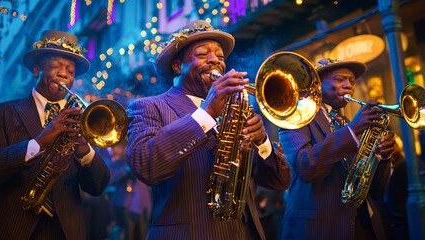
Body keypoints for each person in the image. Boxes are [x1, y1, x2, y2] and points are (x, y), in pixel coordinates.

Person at [126, 20, 291, 239]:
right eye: (203, 54)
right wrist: (206, 114)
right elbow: (145, 165)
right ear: (177, 66)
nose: (215, 61)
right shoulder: (149, 106)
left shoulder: (236, 107)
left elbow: (280, 181)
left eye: (221, 57)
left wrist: (263, 142)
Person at [0, 30, 110, 240]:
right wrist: (38, 143)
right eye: (56, 65)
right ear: (36, 69)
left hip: (67, 232)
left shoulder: (81, 118)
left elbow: (98, 186)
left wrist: (85, 151)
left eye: (71, 70)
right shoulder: (3, 112)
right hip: (15, 229)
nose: (64, 73)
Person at [278, 58, 396, 240]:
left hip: (362, 227)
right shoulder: (295, 117)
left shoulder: (346, 123)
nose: (349, 85)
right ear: (317, 84)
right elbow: (306, 167)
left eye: (352, 81)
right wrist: (353, 130)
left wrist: (383, 158)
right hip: (319, 229)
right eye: (340, 79)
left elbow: (376, 191)